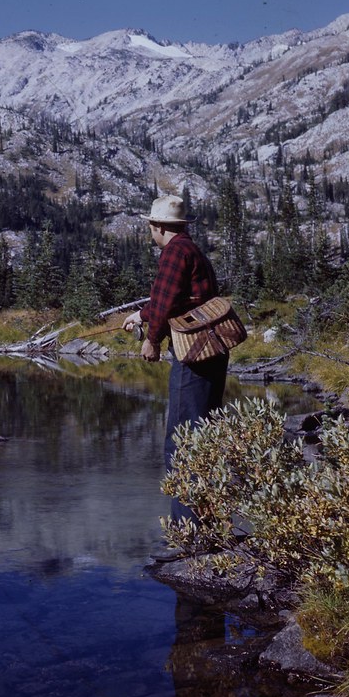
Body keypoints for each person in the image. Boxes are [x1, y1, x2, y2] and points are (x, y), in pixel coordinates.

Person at [122, 194, 228, 513]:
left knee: (182, 439)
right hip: (212, 350)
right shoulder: (191, 250)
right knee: (203, 433)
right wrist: (141, 315)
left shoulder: (173, 252)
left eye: (151, 227)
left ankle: (187, 532)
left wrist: (151, 339)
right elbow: (183, 301)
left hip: (192, 354)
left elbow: (166, 299)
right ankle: (207, 523)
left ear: (158, 227)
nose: (150, 233)